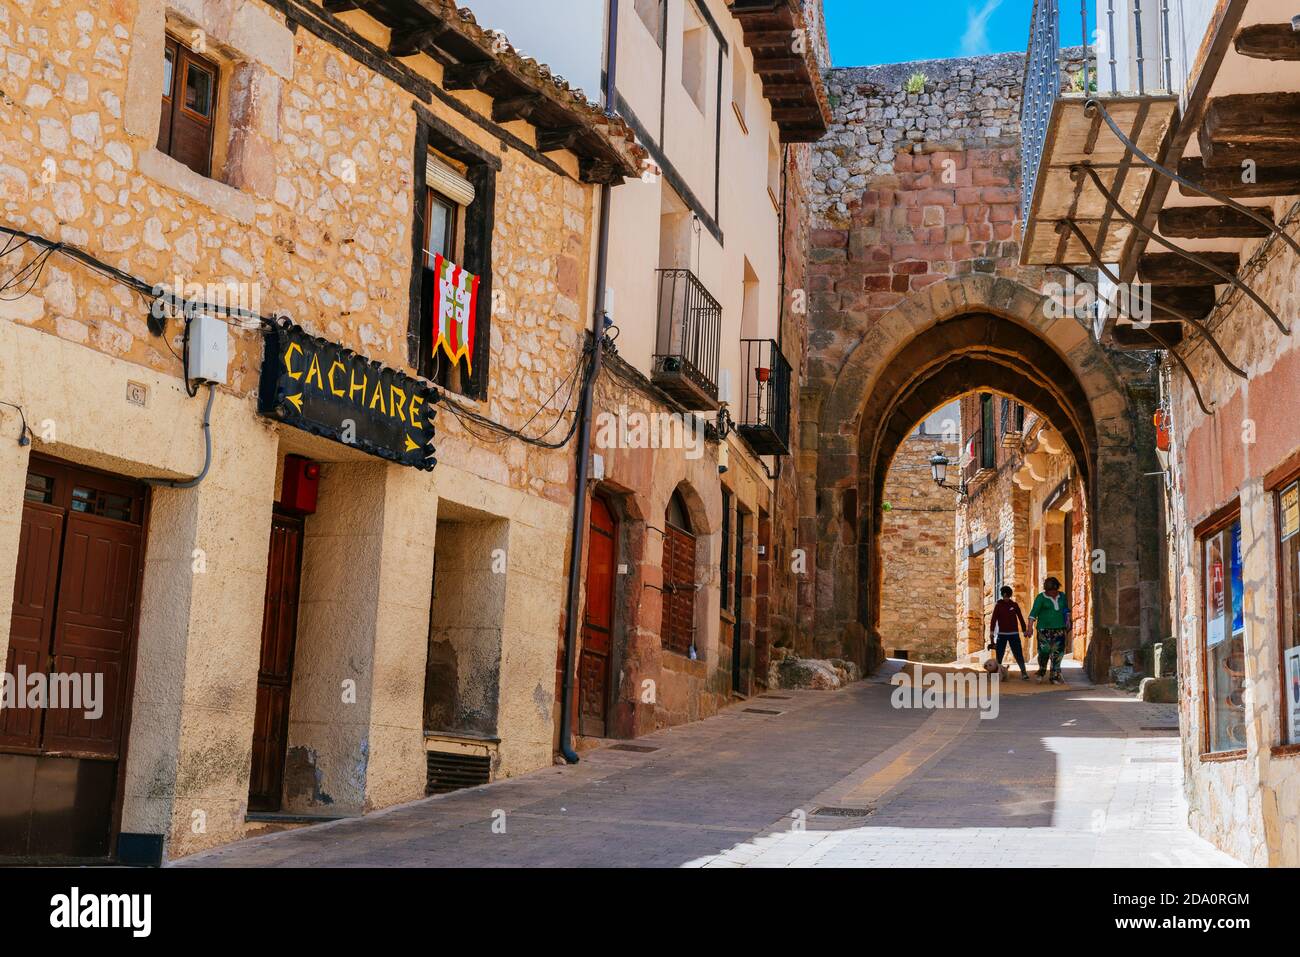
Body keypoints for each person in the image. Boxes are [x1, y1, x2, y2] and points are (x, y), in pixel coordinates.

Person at [1029, 576, 1071, 684]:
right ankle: (1042, 670)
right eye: (1050, 591)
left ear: (1057, 588)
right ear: (1046, 590)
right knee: (1044, 651)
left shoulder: (1062, 596)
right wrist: (1029, 628)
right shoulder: (1040, 598)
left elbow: (1066, 609)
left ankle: (1055, 676)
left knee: (1058, 653)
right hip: (1044, 630)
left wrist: (1068, 620)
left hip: (1059, 629)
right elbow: (1033, 614)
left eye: (1055, 591)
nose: (1053, 593)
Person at [988, 585, 1029, 680]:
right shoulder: (998, 606)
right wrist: (991, 632)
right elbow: (993, 620)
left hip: (1014, 634)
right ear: (1002, 595)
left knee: (1018, 653)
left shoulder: (1014, 605)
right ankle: (995, 674)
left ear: (1010, 595)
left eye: (1007, 596)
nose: (1006, 598)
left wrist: (1024, 630)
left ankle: (1024, 673)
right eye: (1004, 596)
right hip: (1001, 635)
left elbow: (1021, 618)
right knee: (999, 655)